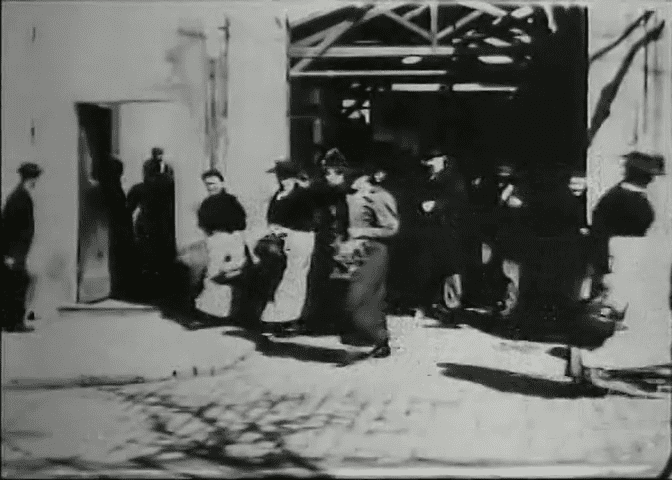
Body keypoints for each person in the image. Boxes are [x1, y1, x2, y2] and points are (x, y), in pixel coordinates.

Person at [590, 150, 665, 308]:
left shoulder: (621, 196)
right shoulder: (622, 198)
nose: (652, 179)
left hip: (629, 262)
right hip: (620, 262)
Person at [341, 170, 400, 359]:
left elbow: (392, 228)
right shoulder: (349, 195)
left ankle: (375, 336)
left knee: (357, 298)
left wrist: (362, 232)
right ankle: (380, 341)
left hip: (374, 250)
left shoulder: (379, 197)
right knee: (372, 297)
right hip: (354, 251)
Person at [260, 158, 318, 337]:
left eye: (285, 177)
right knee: (279, 276)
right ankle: (278, 318)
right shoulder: (278, 195)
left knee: (295, 277)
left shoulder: (302, 195)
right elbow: (272, 217)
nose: (281, 180)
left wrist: (286, 229)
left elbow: (309, 219)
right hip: (281, 238)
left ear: (293, 178)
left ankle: (290, 320)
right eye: (279, 177)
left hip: (300, 237)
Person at [414, 149, 469, 319]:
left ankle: (451, 306)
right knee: (432, 268)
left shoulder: (453, 179)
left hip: (449, 230)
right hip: (432, 231)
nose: (430, 164)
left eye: (433, 160)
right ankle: (432, 304)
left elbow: (458, 201)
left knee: (450, 269)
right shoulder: (430, 178)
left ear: (444, 160)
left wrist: (436, 205)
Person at [303, 148, 350, 334]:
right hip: (325, 241)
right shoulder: (322, 191)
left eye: (329, 172)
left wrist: (341, 239)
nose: (326, 176)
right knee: (321, 280)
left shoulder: (344, 193)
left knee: (338, 283)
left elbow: (343, 219)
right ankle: (320, 321)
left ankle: (337, 322)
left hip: (337, 241)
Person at [194, 169, 248, 321]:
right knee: (213, 273)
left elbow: (241, 221)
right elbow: (203, 224)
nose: (211, 187)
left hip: (233, 238)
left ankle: (226, 312)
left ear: (222, 183)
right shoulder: (206, 204)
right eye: (208, 185)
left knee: (230, 274)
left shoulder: (232, 201)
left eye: (213, 183)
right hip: (216, 240)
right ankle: (210, 312)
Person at [127, 149, 176, 302]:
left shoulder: (139, 188)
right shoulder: (167, 186)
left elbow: (128, 208)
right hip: (163, 227)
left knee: (146, 261)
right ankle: (163, 293)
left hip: (145, 227)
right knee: (162, 261)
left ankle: (146, 293)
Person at [2, 162, 42, 332]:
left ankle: (10, 321)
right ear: (30, 178)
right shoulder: (19, 198)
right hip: (14, 251)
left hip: (17, 251)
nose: (35, 182)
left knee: (15, 284)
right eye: (34, 178)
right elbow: (10, 228)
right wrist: (9, 254)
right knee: (17, 286)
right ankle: (14, 322)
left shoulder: (20, 196)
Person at [100, 156, 136, 299]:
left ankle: (117, 289)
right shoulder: (113, 188)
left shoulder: (111, 187)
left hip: (117, 230)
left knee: (118, 261)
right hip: (117, 230)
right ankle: (117, 290)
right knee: (118, 261)